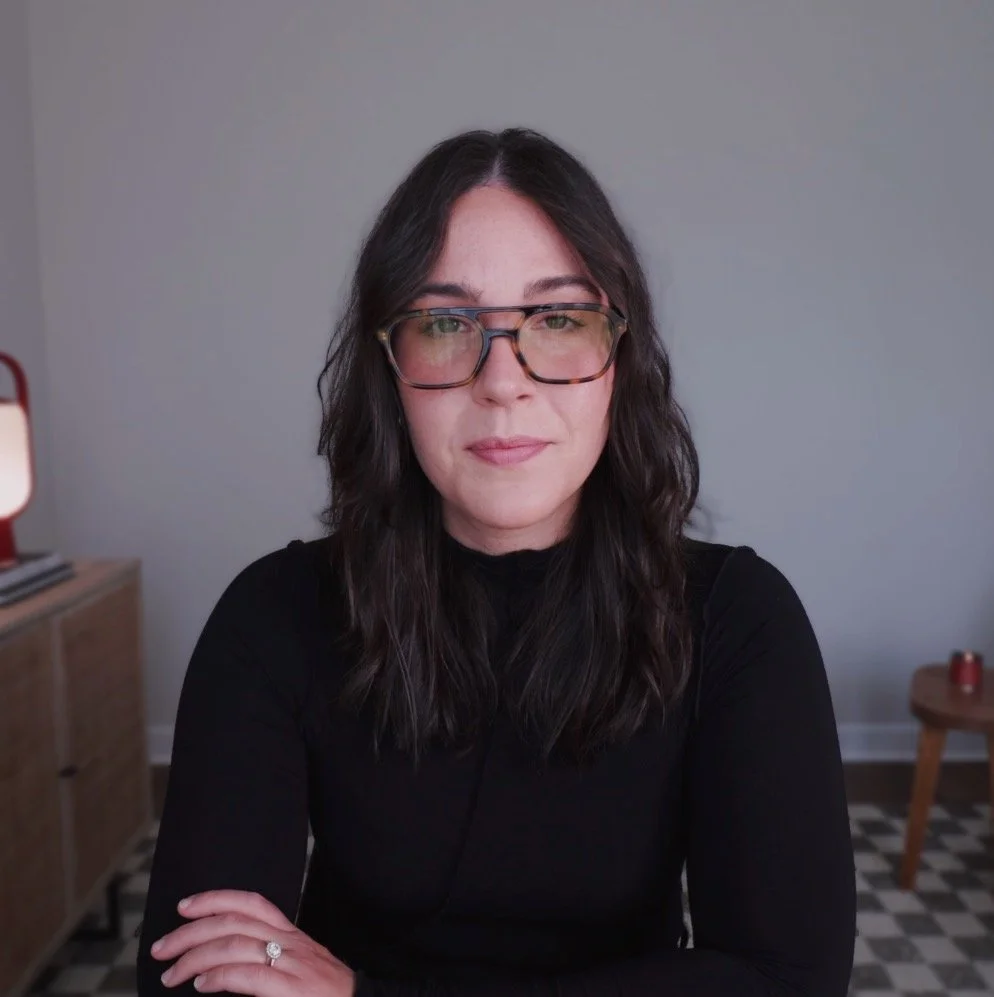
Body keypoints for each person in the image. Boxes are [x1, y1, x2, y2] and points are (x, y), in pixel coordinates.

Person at [136, 127, 855, 997]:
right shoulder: (273, 616)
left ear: (618, 360)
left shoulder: (739, 617)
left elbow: (787, 980)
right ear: (388, 369)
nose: (503, 380)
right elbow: (196, 977)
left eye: (557, 319)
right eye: (445, 324)